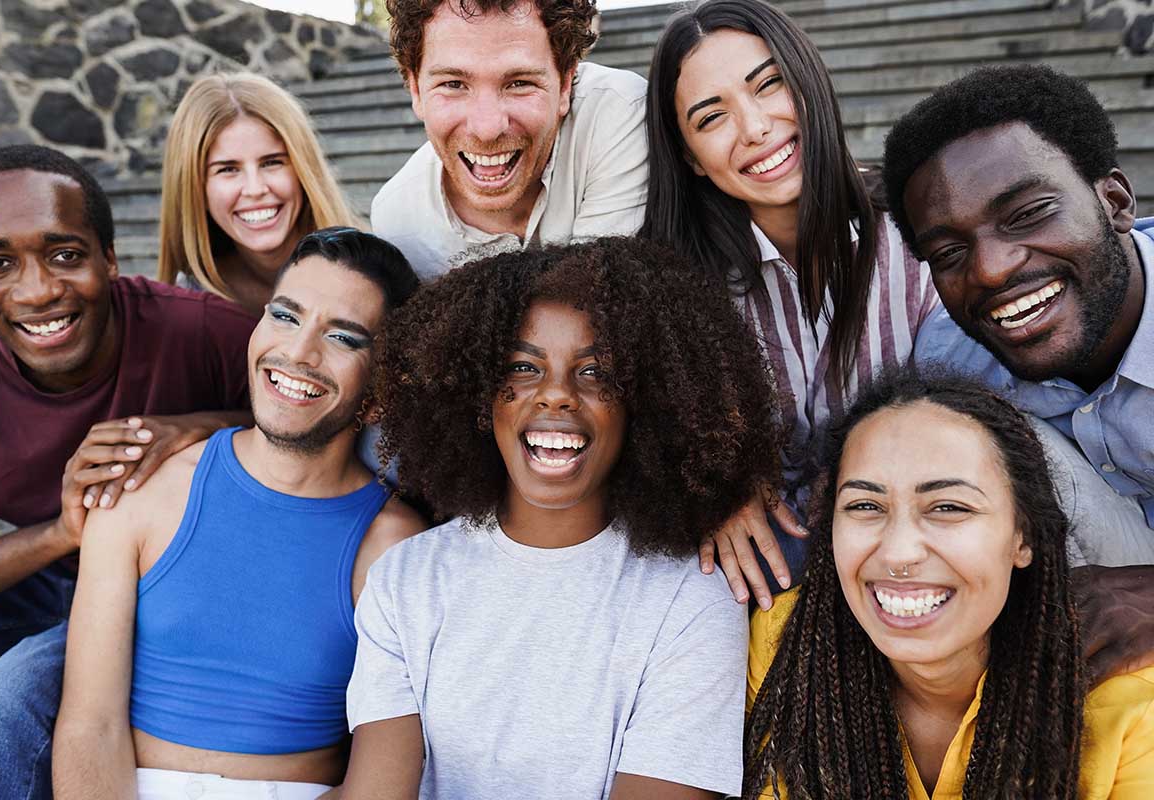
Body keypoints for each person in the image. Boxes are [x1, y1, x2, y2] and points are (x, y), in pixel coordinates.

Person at [340, 237, 777, 799]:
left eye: (596, 373)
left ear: (649, 401)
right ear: (478, 394)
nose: (556, 395)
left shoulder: (691, 598)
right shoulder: (407, 579)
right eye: (523, 367)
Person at [53, 228, 427, 799]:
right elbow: (89, 725)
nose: (298, 353)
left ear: (381, 394)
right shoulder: (143, 491)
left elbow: (379, 783)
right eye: (285, 316)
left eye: (342, 337)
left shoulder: (395, 547)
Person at [0, 145, 256, 800]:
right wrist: (60, 534)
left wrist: (202, 425)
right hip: (46, 578)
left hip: (170, 593)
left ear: (110, 258)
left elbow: (334, 420)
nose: (38, 290)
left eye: (65, 254)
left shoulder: (204, 331)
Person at [640, 0, 940, 609]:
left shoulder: (920, 230)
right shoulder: (680, 286)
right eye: (711, 117)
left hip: (917, 515)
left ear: (808, 80)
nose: (754, 127)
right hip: (779, 543)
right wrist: (713, 487)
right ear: (691, 157)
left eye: (768, 84)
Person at [743, 371, 1154, 799]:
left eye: (948, 507)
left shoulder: (1133, 710)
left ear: (1023, 536)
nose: (899, 553)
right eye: (865, 505)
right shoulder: (787, 646)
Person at [882, 65, 1154, 678]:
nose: (991, 269)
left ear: (1114, 202)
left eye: (1027, 214)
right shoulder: (950, 358)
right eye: (949, 252)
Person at [372, 0, 649, 280]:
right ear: (416, 91)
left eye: (519, 83)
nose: (487, 130)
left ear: (565, 84)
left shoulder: (618, 110)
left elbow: (594, 295)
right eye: (453, 84)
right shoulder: (397, 221)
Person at [157, 72, 358, 314]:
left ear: (304, 170)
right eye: (228, 169)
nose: (255, 189)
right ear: (195, 188)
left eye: (272, 162)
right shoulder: (187, 305)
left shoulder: (373, 276)